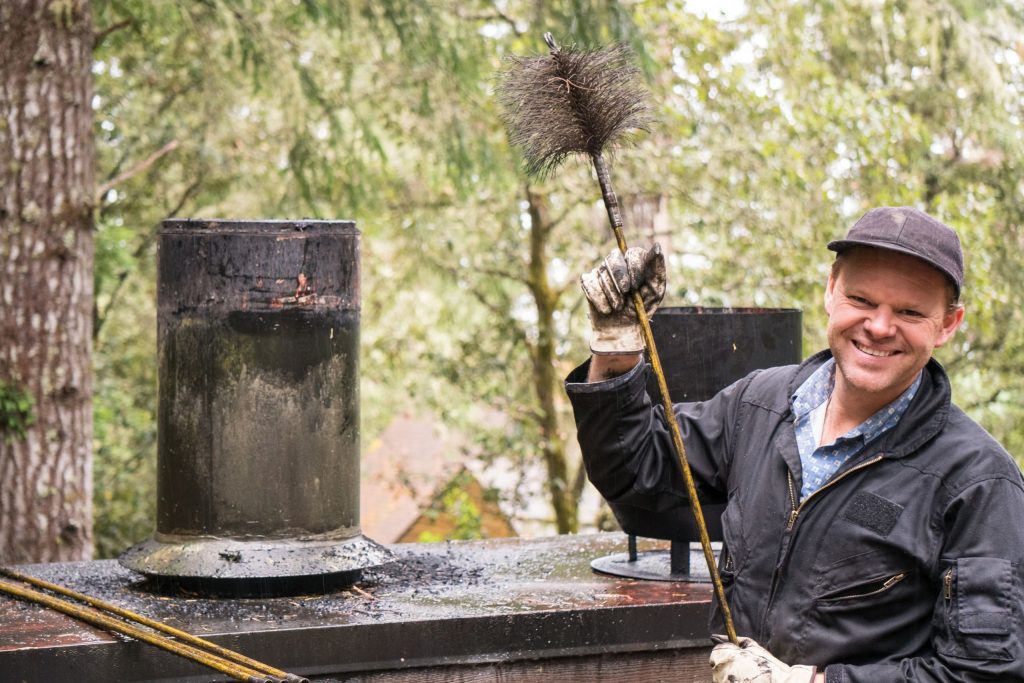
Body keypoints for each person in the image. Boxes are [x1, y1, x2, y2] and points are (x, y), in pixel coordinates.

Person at [564, 207, 1024, 682]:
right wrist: (616, 347)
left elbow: (983, 672)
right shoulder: (759, 404)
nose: (880, 326)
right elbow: (636, 468)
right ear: (831, 290)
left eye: (909, 311)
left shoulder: (979, 484)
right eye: (861, 299)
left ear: (948, 324)